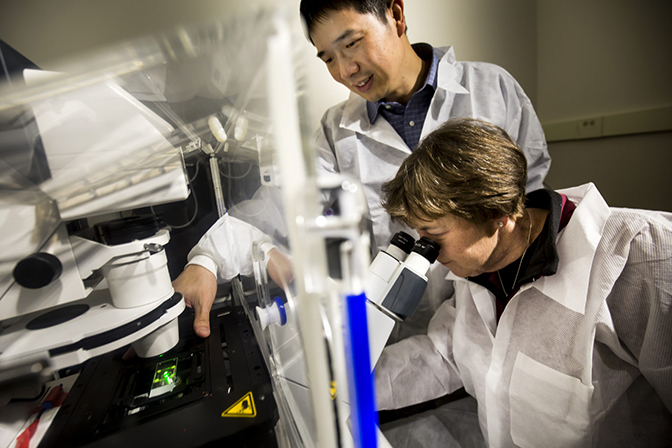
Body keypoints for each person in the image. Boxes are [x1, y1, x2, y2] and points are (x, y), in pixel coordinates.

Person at [174, 0, 552, 339]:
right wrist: (208, 260)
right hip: (401, 335)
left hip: (499, 321)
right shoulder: (334, 132)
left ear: (397, 15)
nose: (345, 70)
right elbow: (281, 204)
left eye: (352, 43)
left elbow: (528, 207)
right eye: (327, 58)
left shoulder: (492, 89)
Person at [375, 117, 672, 447]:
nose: (426, 249)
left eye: (435, 234)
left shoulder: (640, 254)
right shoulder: (477, 265)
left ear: (497, 213)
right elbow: (446, 354)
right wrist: (345, 381)